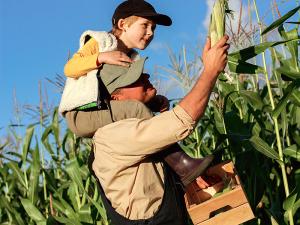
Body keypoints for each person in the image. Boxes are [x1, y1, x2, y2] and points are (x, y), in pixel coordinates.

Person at [59, 0, 214, 187]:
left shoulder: (129, 55)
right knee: (133, 108)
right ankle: (181, 164)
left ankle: (177, 169)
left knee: (135, 109)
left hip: (99, 108)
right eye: (145, 25)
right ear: (123, 24)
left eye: (154, 28)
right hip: (81, 114)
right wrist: (100, 57)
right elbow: (70, 68)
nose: (151, 33)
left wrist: (153, 101)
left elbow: (118, 93)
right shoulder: (99, 41)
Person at [91, 35, 230, 224]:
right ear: (116, 98)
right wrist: (210, 71)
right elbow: (181, 121)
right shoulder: (112, 134)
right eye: (135, 79)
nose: (146, 76)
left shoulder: (133, 129)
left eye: (142, 73)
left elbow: (149, 181)